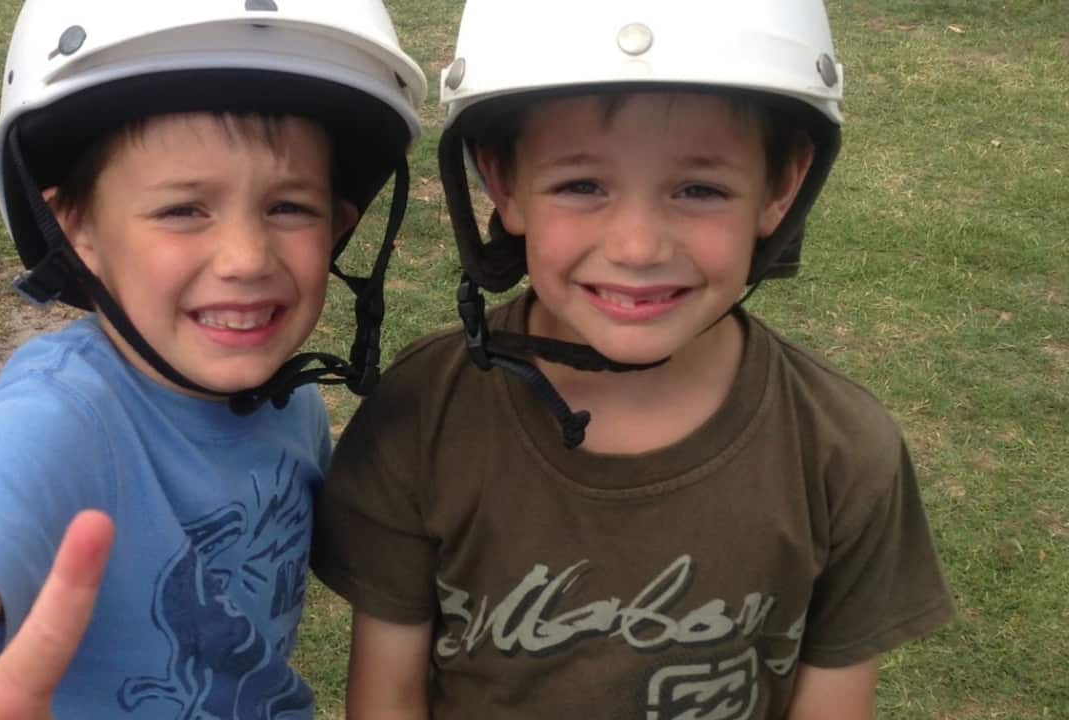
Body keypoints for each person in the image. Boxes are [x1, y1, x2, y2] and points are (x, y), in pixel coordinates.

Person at [311, 1, 955, 718]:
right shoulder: (423, 413)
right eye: (583, 185)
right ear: (501, 182)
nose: (638, 247)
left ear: (782, 188)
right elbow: (387, 694)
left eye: (699, 190)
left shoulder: (841, 450)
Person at [0, 1, 425, 718]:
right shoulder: (54, 422)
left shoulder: (293, 404)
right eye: (184, 209)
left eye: (290, 207)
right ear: (78, 230)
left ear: (340, 225)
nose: (248, 258)